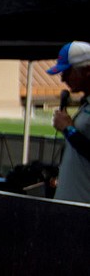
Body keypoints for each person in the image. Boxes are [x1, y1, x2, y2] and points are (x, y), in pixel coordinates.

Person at [49, 41, 90, 204]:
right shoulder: (86, 103)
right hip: (72, 204)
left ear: (87, 70)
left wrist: (69, 130)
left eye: (67, 72)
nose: (63, 78)